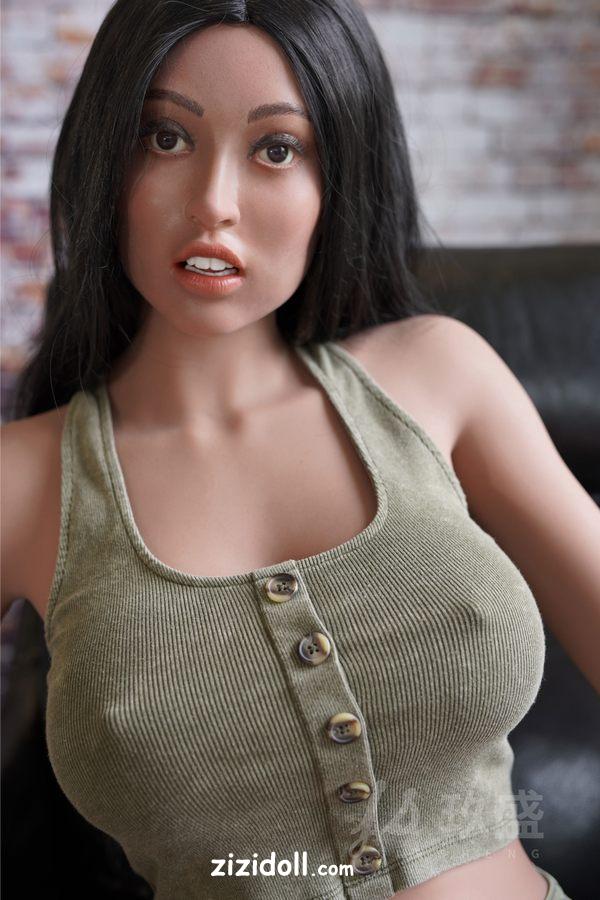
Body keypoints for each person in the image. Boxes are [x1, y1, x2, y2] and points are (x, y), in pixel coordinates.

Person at [2, 1, 596, 897]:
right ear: (104, 160)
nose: (214, 203)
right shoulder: (22, 482)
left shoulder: (440, 377)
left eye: (277, 149)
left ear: (339, 179)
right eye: (166, 138)